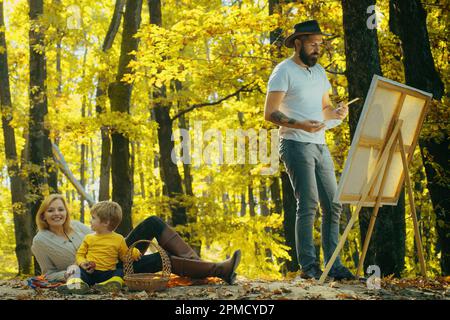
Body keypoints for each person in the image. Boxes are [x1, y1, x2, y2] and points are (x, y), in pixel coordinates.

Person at [264, 20, 355, 280]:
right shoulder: (283, 71)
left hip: (320, 144)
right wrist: (301, 124)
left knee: (334, 205)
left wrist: (336, 112)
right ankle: (309, 267)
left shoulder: (320, 72)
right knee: (309, 204)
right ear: (298, 43)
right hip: (294, 143)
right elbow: (270, 113)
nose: (318, 49)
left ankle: (333, 266)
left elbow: (325, 108)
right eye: (313, 44)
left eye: (320, 44)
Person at [31, 194, 241, 293]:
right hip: (100, 274)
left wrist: (125, 246)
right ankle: (219, 270)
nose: (57, 214)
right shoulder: (40, 241)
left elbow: (105, 236)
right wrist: (71, 271)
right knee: (162, 259)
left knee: (152, 222)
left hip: (118, 256)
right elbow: (47, 273)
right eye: (51, 210)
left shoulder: (76, 226)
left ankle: (200, 263)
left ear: (66, 211)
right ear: (43, 215)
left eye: (60, 209)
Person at [60, 201, 142, 294]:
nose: (90, 220)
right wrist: (83, 263)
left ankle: (111, 284)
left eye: (93, 218)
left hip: (108, 274)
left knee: (120, 271)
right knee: (75, 269)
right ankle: (77, 284)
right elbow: (80, 254)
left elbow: (124, 258)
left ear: (106, 222)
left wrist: (133, 253)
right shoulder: (89, 238)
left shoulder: (119, 239)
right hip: (89, 272)